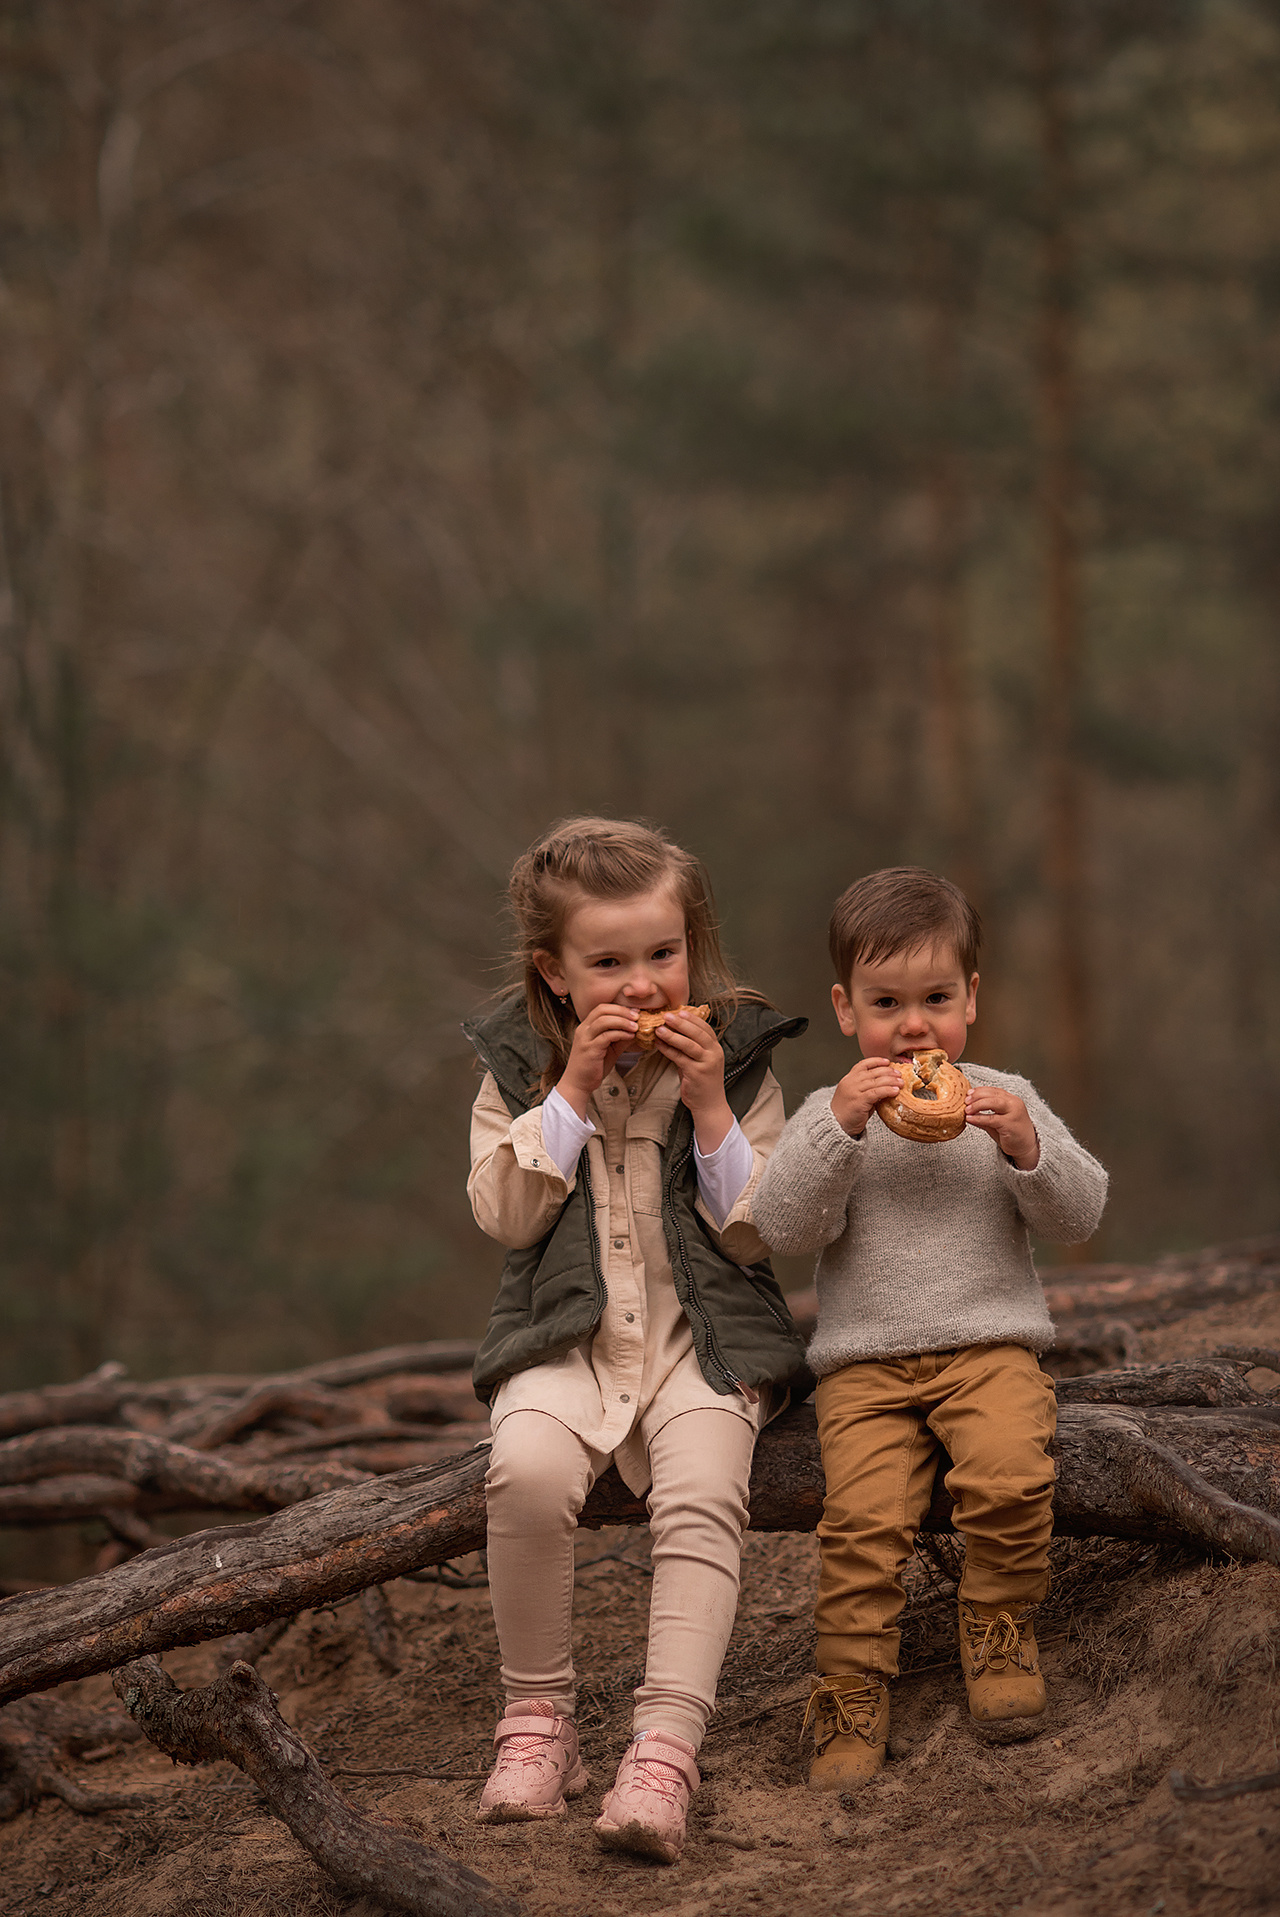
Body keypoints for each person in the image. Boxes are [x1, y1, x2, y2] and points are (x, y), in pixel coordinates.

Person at [463, 816, 807, 1861]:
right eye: (607, 963)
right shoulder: (516, 1067)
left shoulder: (739, 1065)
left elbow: (763, 1228)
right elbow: (506, 1215)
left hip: (702, 1342)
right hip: (565, 1343)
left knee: (701, 1492)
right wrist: (568, 1091)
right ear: (555, 974)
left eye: (662, 953)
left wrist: (709, 1106)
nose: (642, 983)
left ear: (691, 947)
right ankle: (538, 1723)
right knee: (523, 1471)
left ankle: (664, 1746)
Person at [752, 866, 1107, 1791]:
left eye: (936, 999)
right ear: (846, 1008)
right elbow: (784, 1227)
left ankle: (998, 1627)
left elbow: (1080, 1214)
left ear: (971, 999)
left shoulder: (1004, 1095)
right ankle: (849, 1687)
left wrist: (1028, 1146)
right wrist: (836, 1131)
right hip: (865, 1365)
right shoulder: (832, 1112)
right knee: (861, 1525)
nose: (914, 1026)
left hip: (989, 1345)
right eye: (887, 1003)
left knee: (1011, 1476)